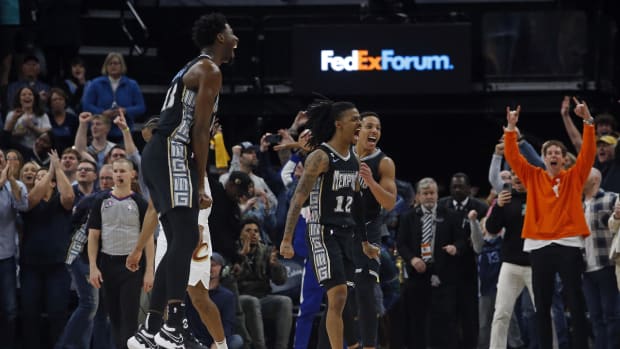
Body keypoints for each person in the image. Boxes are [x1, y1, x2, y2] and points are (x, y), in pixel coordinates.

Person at [126, 12, 238, 349]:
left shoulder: (195, 67)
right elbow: (200, 131)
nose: (236, 38)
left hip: (160, 154)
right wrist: (201, 180)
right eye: (231, 32)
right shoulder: (210, 70)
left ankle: (149, 329)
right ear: (219, 37)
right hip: (171, 151)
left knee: (177, 241)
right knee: (186, 236)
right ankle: (173, 323)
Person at [280, 100, 379, 349]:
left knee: (343, 300)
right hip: (323, 232)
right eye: (355, 119)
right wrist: (287, 239)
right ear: (339, 124)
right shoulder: (320, 156)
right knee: (337, 296)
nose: (359, 124)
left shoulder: (354, 159)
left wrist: (365, 242)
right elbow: (298, 198)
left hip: (347, 235)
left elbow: (356, 204)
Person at [503, 100, 595, 349]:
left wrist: (587, 121)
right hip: (539, 244)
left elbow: (587, 153)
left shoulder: (574, 176)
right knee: (541, 305)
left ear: (565, 159)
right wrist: (511, 129)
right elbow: (512, 157)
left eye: (558, 153)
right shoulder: (533, 176)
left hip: (569, 243)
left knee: (575, 301)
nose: (553, 155)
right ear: (543, 159)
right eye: (549, 153)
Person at [88, 158, 152, 349]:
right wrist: (93, 267)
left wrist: (150, 271)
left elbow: (149, 239)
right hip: (107, 263)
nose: (118, 175)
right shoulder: (100, 200)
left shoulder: (140, 202)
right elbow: (93, 236)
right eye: (115, 171)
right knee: (114, 317)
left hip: (131, 266)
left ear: (132, 174)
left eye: (122, 171)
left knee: (129, 318)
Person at [396, 177, 464, 349]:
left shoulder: (450, 215)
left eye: (432, 193)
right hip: (417, 276)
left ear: (437, 194)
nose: (429, 197)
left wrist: (455, 248)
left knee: (444, 320)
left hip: (444, 276)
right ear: (418, 196)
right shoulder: (407, 217)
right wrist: (412, 259)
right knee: (417, 319)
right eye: (425, 193)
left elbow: (462, 240)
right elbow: (401, 244)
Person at [351, 111, 397, 349]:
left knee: (367, 292)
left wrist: (370, 182)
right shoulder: (342, 156)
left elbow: (389, 202)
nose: (375, 131)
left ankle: (369, 345)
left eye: (378, 128)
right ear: (358, 131)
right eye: (370, 126)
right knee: (340, 295)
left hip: (370, 231)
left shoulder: (384, 162)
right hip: (343, 231)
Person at [234, 218, 292, 349]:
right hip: (239, 298)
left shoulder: (266, 251)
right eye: (248, 230)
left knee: (285, 302)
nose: (253, 234)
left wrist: (275, 266)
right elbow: (231, 278)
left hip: (262, 297)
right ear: (240, 234)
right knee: (252, 301)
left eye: (256, 231)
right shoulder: (233, 251)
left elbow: (280, 280)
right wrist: (242, 256)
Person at [580, 167, 620, 349]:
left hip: (607, 265)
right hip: (585, 269)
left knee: (611, 314)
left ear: (595, 179)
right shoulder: (576, 204)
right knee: (595, 316)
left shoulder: (612, 198)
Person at [81, 52, 146, 142]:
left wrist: (125, 111)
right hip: (101, 131)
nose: (113, 66)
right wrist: (102, 112)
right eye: (110, 63)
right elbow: (86, 105)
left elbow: (141, 107)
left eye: (116, 63)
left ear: (121, 65)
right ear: (106, 66)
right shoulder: (96, 84)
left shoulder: (132, 84)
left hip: (124, 131)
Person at [185, 252, 244, 349]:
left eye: (213, 265)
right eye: (206, 265)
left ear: (221, 268)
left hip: (217, 339)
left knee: (237, 340)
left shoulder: (227, 296)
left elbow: (228, 324)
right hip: (195, 341)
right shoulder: (190, 293)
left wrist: (218, 342)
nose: (210, 268)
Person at [0, 149, 28, 349]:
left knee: (10, 309)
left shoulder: (16, 185)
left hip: (6, 257)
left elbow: (22, 206)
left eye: (1, 157)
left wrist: (9, 181)